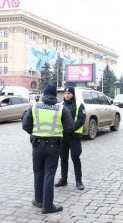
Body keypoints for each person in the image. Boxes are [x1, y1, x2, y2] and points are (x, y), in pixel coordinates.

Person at [22, 84, 74, 214]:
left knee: (38, 172)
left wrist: (36, 133)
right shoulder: (61, 108)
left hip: (37, 145)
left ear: (44, 94)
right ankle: (47, 205)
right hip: (53, 145)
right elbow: (69, 127)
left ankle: (38, 200)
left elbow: (25, 125)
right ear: (55, 96)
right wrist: (59, 135)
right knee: (49, 174)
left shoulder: (34, 107)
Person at [55, 86, 86, 190]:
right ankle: (64, 179)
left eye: (69, 93)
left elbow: (81, 120)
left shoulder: (79, 105)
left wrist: (70, 129)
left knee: (75, 158)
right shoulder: (60, 106)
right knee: (63, 158)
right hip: (63, 137)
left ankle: (78, 181)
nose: (67, 95)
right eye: (65, 93)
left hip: (74, 136)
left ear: (73, 94)